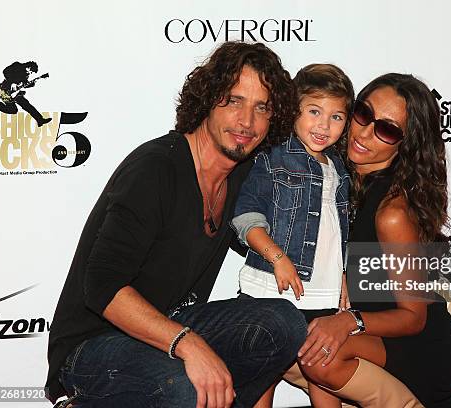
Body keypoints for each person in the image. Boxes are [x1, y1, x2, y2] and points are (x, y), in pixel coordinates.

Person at [45, 41, 308, 408]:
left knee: (284, 324)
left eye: (261, 107)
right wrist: (189, 343)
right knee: (184, 383)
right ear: (209, 99)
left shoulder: (244, 175)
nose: (247, 122)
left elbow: (294, 222)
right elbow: (102, 288)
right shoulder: (156, 169)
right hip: (92, 345)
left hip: (172, 323)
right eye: (234, 101)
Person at [294, 73, 451, 408]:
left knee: (320, 351)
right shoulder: (333, 173)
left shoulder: (392, 213)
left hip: (419, 353)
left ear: (406, 142)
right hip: (375, 336)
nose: (364, 132)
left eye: (386, 129)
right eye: (363, 113)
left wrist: (347, 321)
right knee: (278, 342)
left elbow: (413, 317)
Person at [231, 63, 354, 407]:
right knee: (260, 383)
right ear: (294, 110)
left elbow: (338, 230)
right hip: (272, 290)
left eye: (336, 117)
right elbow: (246, 216)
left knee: (325, 379)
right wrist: (278, 259)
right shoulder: (272, 158)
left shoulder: (339, 169)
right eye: (314, 111)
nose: (324, 126)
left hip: (324, 297)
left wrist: (344, 274)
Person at [0, 61, 52, 127]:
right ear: (28, 67)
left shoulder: (26, 75)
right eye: (31, 71)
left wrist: (33, 83)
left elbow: (24, 85)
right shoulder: (17, 65)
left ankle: (40, 120)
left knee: (26, 105)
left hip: (16, 93)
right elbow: (5, 71)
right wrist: (12, 83)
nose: (30, 73)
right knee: (14, 110)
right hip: (5, 90)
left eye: (32, 73)